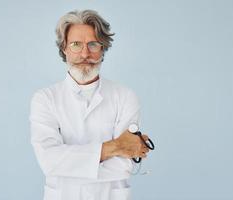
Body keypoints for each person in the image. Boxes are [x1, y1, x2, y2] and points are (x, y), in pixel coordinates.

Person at [29, 9, 151, 200]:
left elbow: (124, 167)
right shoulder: (45, 99)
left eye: (93, 44)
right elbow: (49, 161)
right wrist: (116, 147)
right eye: (76, 44)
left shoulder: (125, 96)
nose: (85, 53)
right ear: (64, 48)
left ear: (103, 49)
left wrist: (70, 164)